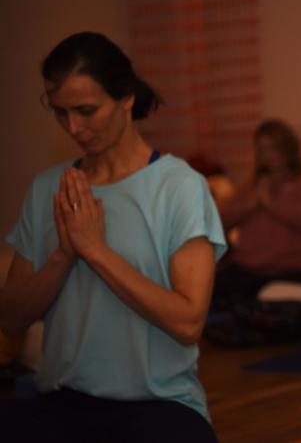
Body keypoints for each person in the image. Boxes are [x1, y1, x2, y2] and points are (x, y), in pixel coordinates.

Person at [0, 32, 226, 443]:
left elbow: (188, 322)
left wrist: (95, 250)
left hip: (159, 406)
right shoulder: (48, 187)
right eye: (60, 112)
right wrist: (64, 255)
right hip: (62, 403)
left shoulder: (179, 187)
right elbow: (12, 318)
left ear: (126, 97)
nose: (74, 127)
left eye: (86, 110)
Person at [212, 119, 301, 310]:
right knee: (210, 290)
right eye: (262, 150)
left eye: (274, 149)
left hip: (293, 270)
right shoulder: (253, 185)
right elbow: (220, 219)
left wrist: (271, 203)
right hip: (248, 269)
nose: (269, 156)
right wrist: (250, 205)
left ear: (288, 149)